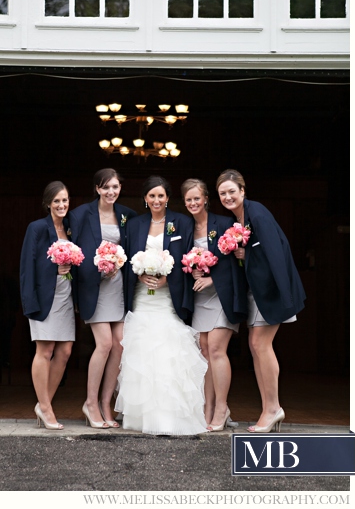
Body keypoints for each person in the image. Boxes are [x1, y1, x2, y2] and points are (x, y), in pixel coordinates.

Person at [116, 175, 208, 435]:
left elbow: (188, 259)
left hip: (169, 298)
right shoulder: (134, 224)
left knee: (169, 350)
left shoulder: (182, 223)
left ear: (168, 198)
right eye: (152, 196)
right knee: (141, 351)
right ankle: (141, 417)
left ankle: (170, 417)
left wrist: (169, 276)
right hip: (141, 297)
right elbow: (125, 258)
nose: (156, 200)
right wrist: (138, 273)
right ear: (145, 199)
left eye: (161, 195)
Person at [216, 169, 305, 433]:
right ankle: (270, 408)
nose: (228, 196)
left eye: (233, 191)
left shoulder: (257, 213)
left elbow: (276, 252)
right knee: (256, 346)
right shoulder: (239, 219)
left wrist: (284, 294)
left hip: (273, 290)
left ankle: (273, 408)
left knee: (259, 344)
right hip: (258, 291)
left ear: (243, 191)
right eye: (223, 193)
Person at [181, 178, 248, 431]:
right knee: (204, 352)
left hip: (222, 295)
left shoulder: (224, 224)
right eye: (188, 199)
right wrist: (193, 271)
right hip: (199, 298)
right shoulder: (185, 227)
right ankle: (207, 407)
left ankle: (221, 407)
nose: (193, 203)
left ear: (206, 198)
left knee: (218, 349)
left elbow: (233, 264)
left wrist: (211, 279)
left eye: (197, 198)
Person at [72, 168, 136, 428]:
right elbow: (73, 250)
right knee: (105, 344)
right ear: (97, 188)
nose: (111, 192)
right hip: (93, 288)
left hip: (118, 287)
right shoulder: (80, 215)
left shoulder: (127, 215)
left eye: (115, 187)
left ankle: (106, 404)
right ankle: (90, 403)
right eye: (106, 187)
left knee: (120, 345)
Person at [19, 181, 76, 430]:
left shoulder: (70, 229)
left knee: (64, 352)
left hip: (66, 296)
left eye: (64, 200)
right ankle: (45, 407)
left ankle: (45, 404)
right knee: (45, 350)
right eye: (56, 201)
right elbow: (27, 265)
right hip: (44, 297)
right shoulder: (37, 228)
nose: (61, 205)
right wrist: (54, 268)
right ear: (48, 204)